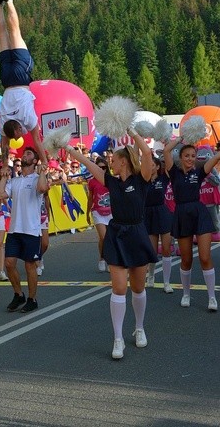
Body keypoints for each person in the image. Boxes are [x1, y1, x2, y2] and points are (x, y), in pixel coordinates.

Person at [67, 129, 157, 360]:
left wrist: (130, 131)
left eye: (114, 160)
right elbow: (88, 163)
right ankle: (118, 339)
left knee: (138, 288)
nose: (110, 163)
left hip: (137, 233)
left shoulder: (141, 179)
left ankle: (139, 327)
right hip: (117, 234)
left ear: (124, 161)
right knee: (118, 288)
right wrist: (67, 148)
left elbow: (146, 152)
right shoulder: (111, 181)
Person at [163, 137, 220, 311]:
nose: (190, 158)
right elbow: (166, 151)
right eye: (186, 155)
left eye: (193, 155)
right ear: (180, 158)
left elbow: (216, 157)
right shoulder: (173, 172)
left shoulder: (200, 171)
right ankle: (186, 294)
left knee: (204, 257)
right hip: (182, 215)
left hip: (199, 214)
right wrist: (181, 138)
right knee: (186, 259)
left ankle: (212, 298)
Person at [0, 0, 47, 165]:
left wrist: (45, 162)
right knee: (2, 36)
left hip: (21, 78)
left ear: (17, 128)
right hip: (6, 81)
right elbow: (4, 146)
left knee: (15, 33)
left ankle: (9, 1)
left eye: (18, 134)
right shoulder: (3, 126)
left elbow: (38, 142)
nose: (20, 136)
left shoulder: (27, 119)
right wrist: (3, 164)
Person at [0, 146, 49, 313]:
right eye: (24, 153)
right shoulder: (16, 181)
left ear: (34, 161)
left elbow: (41, 189)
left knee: (29, 265)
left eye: (28, 154)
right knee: (9, 263)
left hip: (32, 230)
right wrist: (4, 177)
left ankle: (32, 299)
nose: (24, 155)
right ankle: (19, 294)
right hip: (14, 230)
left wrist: (41, 172)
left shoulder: (37, 179)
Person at [144, 157, 174, 293]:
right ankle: (150, 276)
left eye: (151, 164)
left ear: (157, 167)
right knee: (152, 250)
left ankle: (167, 282)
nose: (149, 167)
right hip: (148, 214)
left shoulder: (163, 178)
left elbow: (170, 162)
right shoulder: (142, 180)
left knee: (167, 249)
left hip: (162, 213)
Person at [87, 156, 112, 273]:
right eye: (99, 167)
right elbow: (90, 198)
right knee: (103, 237)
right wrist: (87, 213)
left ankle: (106, 258)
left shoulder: (111, 179)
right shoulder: (91, 182)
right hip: (97, 211)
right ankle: (104, 259)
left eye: (104, 167)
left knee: (108, 238)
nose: (102, 169)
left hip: (111, 212)